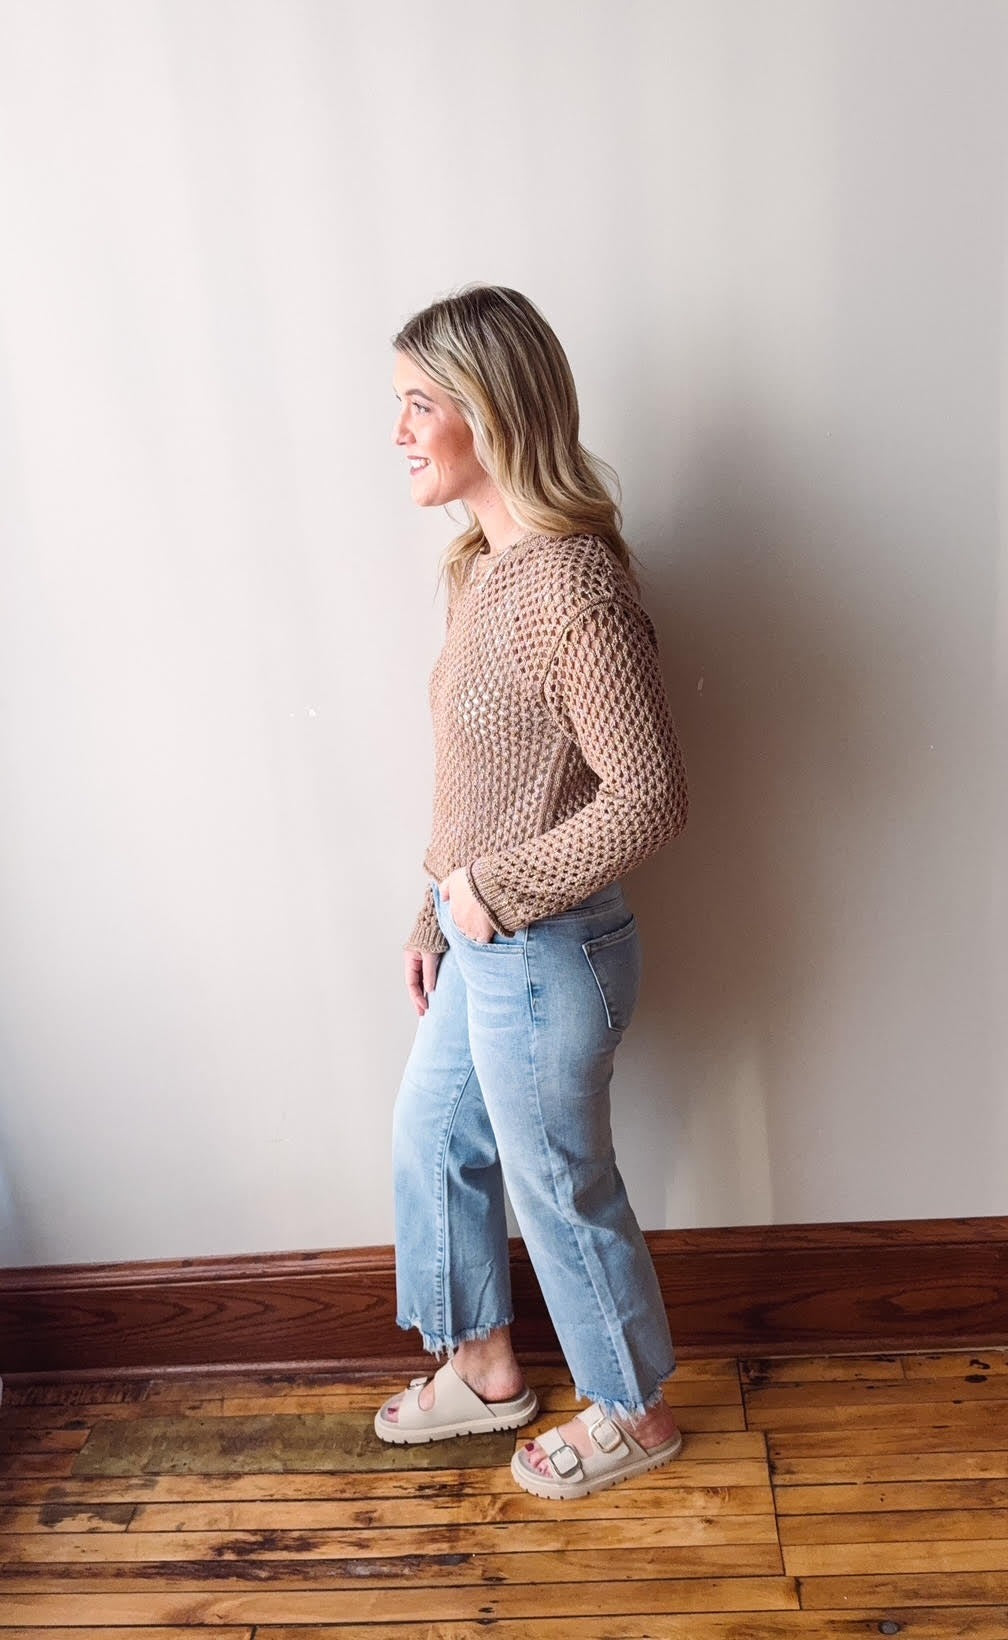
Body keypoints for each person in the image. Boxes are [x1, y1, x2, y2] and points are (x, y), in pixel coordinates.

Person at [373, 285, 688, 1500]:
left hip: (553, 952)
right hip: (485, 937)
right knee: (433, 1138)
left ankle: (633, 1409)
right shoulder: (480, 572)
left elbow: (648, 796)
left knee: (557, 1178)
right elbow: (480, 782)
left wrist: (489, 896)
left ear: (490, 412)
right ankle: (489, 1363)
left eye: (418, 405)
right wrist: (433, 913)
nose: (399, 432)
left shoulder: (571, 583)